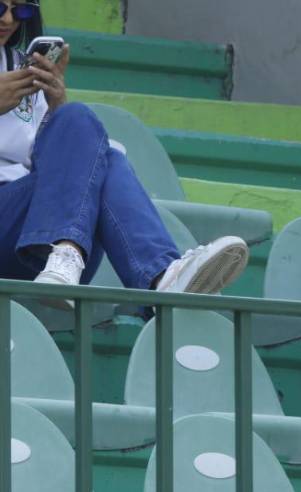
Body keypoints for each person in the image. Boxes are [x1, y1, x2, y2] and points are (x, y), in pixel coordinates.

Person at [0, 0, 249, 309]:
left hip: (33, 242)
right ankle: (158, 276)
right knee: (100, 153)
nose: (9, 19)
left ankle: (94, 262)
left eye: (21, 9)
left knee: (80, 125)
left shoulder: (23, 68)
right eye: (0, 7)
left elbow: (49, 164)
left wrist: (55, 104)